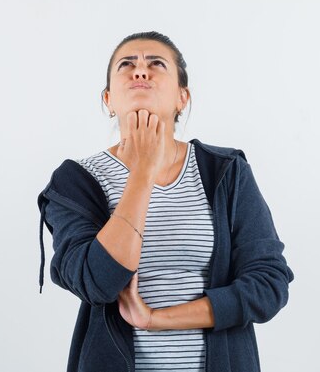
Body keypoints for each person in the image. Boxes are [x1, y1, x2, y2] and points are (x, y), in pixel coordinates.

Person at [37, 31, 294, 372]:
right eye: (126, 64)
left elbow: (268, 284)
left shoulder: (226, 172)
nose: (140, 71)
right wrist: (143, 169)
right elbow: (97, 282)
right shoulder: (76, 182)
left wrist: (157, 319)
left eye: (156, 64)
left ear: (182, 97)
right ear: (109, 99)